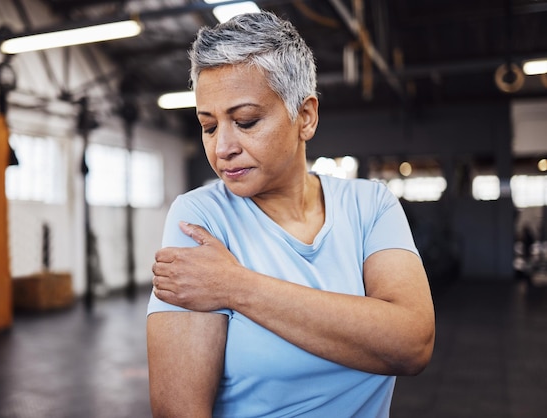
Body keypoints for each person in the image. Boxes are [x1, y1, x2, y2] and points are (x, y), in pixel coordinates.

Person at [147, 11, 435, 418]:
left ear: (306, 116)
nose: (223, 147)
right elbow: (179, 410)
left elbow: (411, 345)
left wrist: (236, 288)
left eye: (245, 121)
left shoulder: (370, 205)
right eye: (209, 126)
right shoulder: (201, 217)